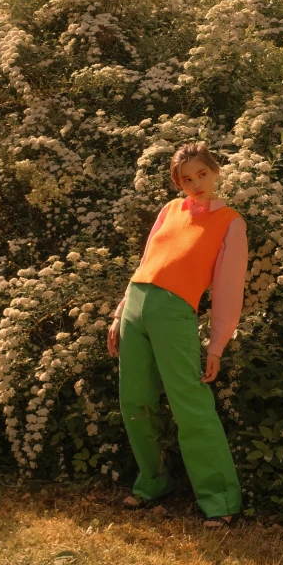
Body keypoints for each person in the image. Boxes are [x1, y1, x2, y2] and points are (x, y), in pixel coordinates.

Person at [106, 141, 248, 528]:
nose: (196, 183)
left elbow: (228, 289)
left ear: (215, 171)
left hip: (175, 313)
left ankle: (221, 499)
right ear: (178, 184)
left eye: (202, 174)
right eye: (187, 179)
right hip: (136, 303)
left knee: (191, 406)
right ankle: (153, 482)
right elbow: (146, 261)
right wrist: (120, 312)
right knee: (135, 400)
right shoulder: (169, 210)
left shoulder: (230, 221)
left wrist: (217, 345)